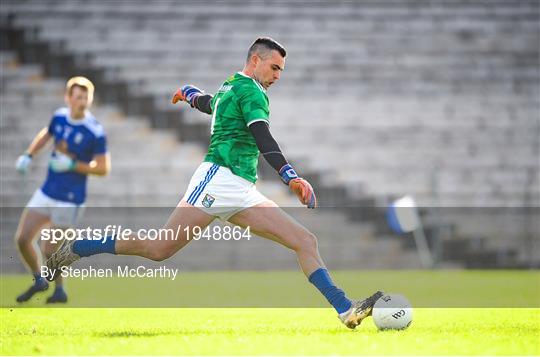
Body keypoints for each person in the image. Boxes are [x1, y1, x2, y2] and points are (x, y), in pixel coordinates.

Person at [46, 38, 382, 328]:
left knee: (304, 241)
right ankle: (79, 246)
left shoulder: (232, 86)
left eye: (281, 70)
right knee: (159, 248)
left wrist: (190, 94)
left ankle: (346, 310)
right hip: (217, 181)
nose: (279, 75)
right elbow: (262, 136)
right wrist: (290, 176)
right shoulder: (252, 91)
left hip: (240, 189)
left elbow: (213, 104)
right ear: (256, 60)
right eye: (275, 68)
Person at [14, 76, 110, 303]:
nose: (83, 101)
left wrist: (73, 165)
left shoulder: (94, 131)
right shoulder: (59, 117)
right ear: (68, 98)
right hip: (48, 191)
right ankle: (39, 279)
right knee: (22, 238)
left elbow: (103, 168)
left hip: (71, 198)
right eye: (78, 97)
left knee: (49, 248)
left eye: (86, 97)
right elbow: (46, 134)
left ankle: (60, 289)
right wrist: (28, 155)